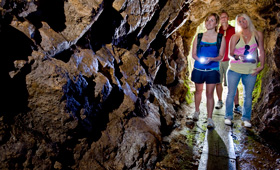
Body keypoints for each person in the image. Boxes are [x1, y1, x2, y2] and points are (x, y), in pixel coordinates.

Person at [224, 13, 265, 127]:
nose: (242, 22)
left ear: (248, 20)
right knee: (231, 93)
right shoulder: (235, 37)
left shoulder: (257, 35)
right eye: (240, 21)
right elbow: (230, 54)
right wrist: (238, 57)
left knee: (248, 95)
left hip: (251, 70)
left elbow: (261, 51)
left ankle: (246, 118)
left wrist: (261, 66)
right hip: (234, 69)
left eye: (244, 20)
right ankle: (228, 116)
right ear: (237, 24)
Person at [191, 13, 226, 128]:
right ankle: (196, 111)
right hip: (198, 68)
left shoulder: (221, 38)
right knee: (198, 91)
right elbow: (194, 54)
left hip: (212, 69)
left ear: (216, 23)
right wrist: (200, 60)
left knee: (209, 93)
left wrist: (211, 59)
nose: (209, 23)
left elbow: (221, 56)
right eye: (207, 20)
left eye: (212, 20)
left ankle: (210, 118)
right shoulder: (199, 36)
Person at [215, 11, 242, 114]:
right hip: (219, 61)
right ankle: (220, 101)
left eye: (225, 17)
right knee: (218, 82)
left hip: (231, 61)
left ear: (228, 18)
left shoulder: (234, 30)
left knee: (233, 83)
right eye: (221, 17)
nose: (223, 19)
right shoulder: (217, 31)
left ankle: (237, 105)